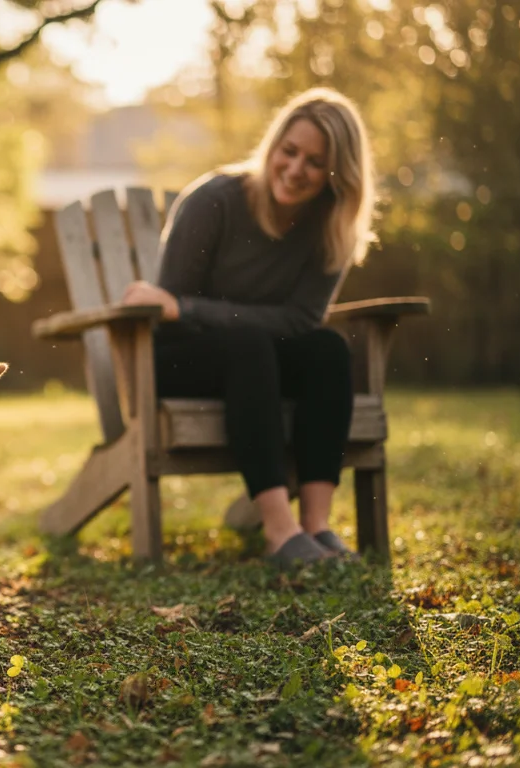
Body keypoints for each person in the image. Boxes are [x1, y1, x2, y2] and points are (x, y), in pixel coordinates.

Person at [120, 87, 374, 565]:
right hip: (178, 361)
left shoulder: (333, 225)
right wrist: (196, 313)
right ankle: (280, 531)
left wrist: (194, 309)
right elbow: (170, 313)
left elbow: (302, 321)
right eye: (289, 151)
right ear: (273, 146)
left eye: (315, 162)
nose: (295, 169)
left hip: (259, 363)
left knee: (327, 349)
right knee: (249, 342)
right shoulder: (214, 201)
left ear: (338, 173)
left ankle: (317, 528)